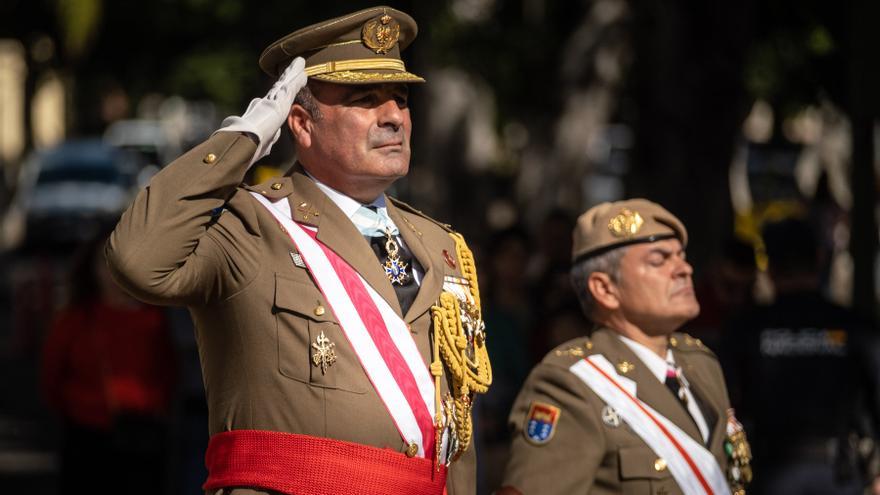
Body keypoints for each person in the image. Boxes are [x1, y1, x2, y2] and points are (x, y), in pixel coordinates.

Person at [105, 6, 491, 495]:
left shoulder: (441, 247)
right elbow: (137, 260)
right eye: (366, 99)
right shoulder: (253, 224)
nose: (394, 116)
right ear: (303, 124)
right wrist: (247, 136)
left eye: (400, 99)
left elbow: (455, 432)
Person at [497, 199, 751, 495]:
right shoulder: (572, 383)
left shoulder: (701, 363)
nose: (684, 268)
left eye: (681, 256)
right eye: (659, 260)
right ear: (605, 289)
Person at [725, 218, 880, 494]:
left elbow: (726, 402)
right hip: (837, 474)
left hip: (770, 473)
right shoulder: (853, 326)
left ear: (770, 268)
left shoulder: (746, 329)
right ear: (820, 260)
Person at [41, 228, 177, 495]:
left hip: (143, 438)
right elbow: (51, 378)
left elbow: (169, 372)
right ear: (91, 266)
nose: (112, 271)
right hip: (86, 436)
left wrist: (156, 408)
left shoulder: (156, 318)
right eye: (104, 260)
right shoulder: (75, 319)